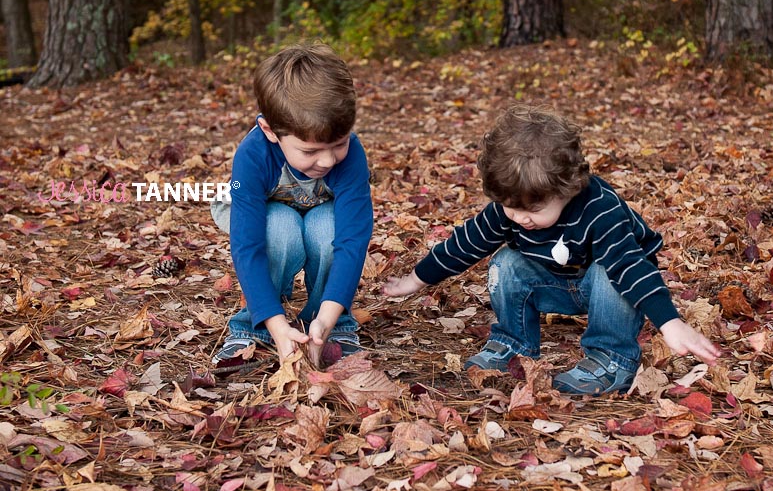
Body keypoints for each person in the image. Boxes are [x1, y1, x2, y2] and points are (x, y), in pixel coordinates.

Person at [382, 105, 719, 395]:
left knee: (609, 270)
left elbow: (631, 266)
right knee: (506, 261)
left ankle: (610, 358)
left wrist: (669, 322)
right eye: (511, 208)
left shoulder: (600, 210)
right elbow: (465, 243)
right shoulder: (512, 207)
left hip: (609, 291)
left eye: (534, 210)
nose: (520, 219)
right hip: (555, 284)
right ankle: (514, 344)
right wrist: (414, 281)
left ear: (568, 188)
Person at [210, 43, 373, 369]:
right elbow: (248, 245)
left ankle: (328, 324)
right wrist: (275, 322)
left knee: (327, 228)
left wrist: (328, 317)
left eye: (339, 144)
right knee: (281, 228)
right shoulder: (252, 156)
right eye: (310, 151)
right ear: (270, 131)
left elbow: (352, 239)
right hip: (266, 218)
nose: (327, 160)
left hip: (319, 213)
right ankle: (254, 322)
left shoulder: (351, 154)